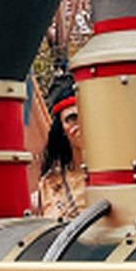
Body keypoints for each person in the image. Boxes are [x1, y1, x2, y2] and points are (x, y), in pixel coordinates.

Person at [37, 74, 86, 220]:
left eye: (87, 116)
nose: (81, 125)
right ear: (62, 130)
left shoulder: (119, 176)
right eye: (72, 119)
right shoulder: (50, 183)